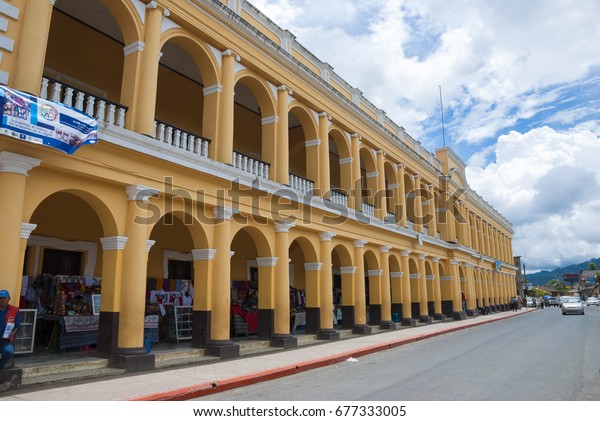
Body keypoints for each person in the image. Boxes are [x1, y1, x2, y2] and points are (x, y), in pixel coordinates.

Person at [0, 289, 20, 370]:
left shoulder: (15, 310)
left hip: (5, 340)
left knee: (9, 351)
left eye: (4, 298)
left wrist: (12, 333)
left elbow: (17, 325)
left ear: (9, 299)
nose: (2, 300)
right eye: (0, 298)